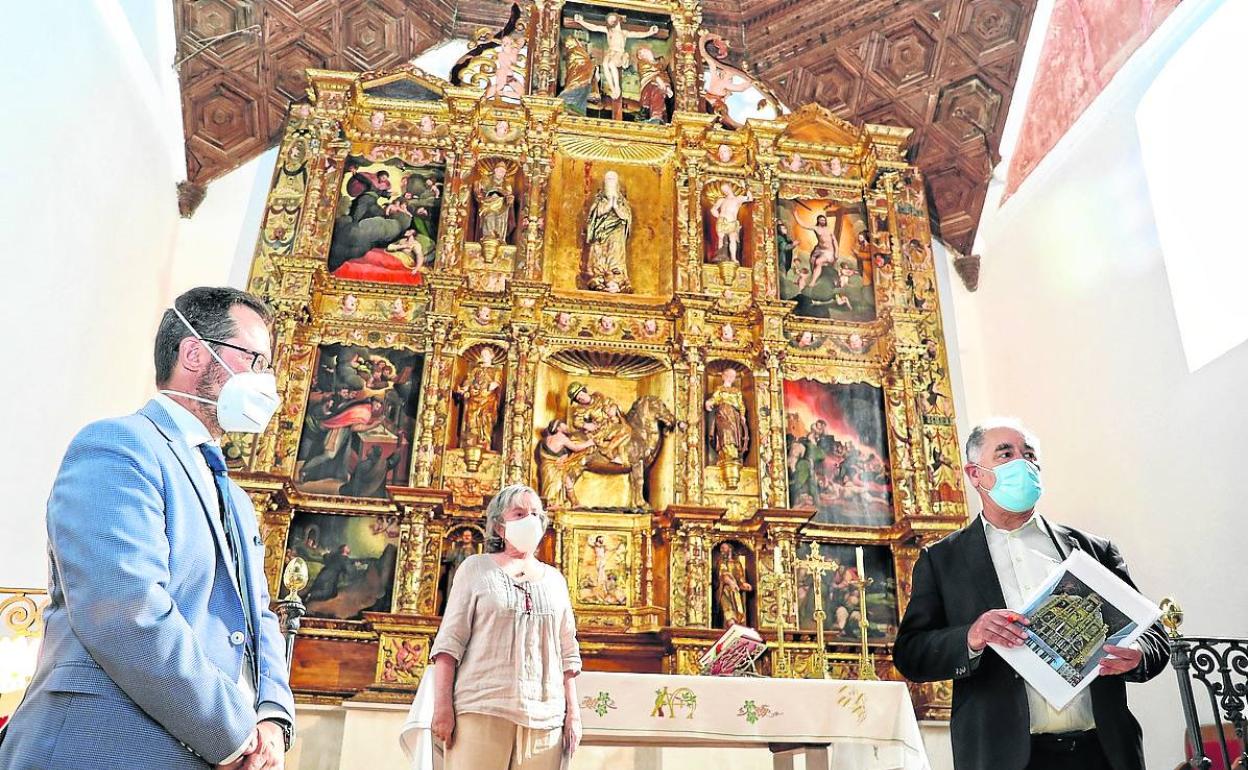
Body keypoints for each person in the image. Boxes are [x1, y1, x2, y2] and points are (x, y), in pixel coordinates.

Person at [0, 287, 295, 769]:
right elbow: (124, 607)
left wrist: (273, 720)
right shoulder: (121, 446)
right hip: (100, 745)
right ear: (194, 352)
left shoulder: (237, 501)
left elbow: (259, 617)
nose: (267, 383)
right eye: (255, 360)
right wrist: (233, 731)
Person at [893, 418, 1168, 770]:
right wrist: (971, 637)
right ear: (975, 474)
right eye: (1006, 454)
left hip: (1102, 751)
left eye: (1030, 455)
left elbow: (1154, 635)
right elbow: (911, 654)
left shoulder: (1092, 551)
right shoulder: (942, 560)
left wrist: (1138, 653)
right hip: (1002, 756)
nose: (1022, 464)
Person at [429, 485, 582, 769]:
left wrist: (573, 714)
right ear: (499, 526)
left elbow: (568, 653)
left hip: (545, 717)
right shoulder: (475, 569)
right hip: (481, 707)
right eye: (520, 513)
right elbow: (449, 645)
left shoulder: (555, 581)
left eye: (535, 514)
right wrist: (442, 708)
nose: (530, 520)